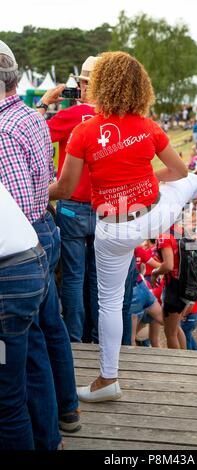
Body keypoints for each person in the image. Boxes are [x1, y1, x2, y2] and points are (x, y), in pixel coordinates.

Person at [48, 51, 197, 403]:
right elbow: (179, 172)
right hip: (150, 216)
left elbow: (65, 189)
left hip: (112, 227)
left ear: (99, 85)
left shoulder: (83, 131)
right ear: (140, 87)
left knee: (109, 305)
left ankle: (108, 379)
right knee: (187, 186)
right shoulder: (148, 127)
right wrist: (142, 181)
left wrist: (34, 192)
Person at [0, 41, 79, 433]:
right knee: (49, 328)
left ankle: (48, 431)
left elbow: (11, 203)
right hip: (43, 229)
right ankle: (66, 411)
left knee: (30, 345)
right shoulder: (27, 117)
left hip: (23, 241)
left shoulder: (3, 129)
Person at [37, 57, 99, 343]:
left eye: (81, 84)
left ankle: (75, 338)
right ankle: (99, 338)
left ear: (86, 85)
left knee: (73, 277)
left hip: (73, 204)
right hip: (106, 207)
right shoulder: (116, 116)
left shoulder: (73, 116)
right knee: (100, 280)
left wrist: (44, 102)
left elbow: (34, 132)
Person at [0, 182, 61, 450]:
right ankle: (49, 441)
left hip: (10, 278)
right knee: (28, 356)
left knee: (6, 397)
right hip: (31, 263)